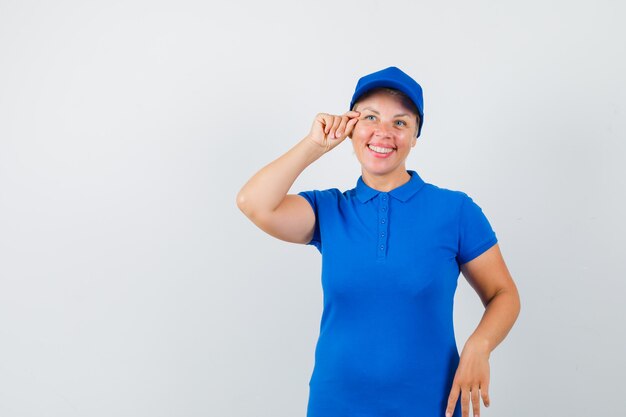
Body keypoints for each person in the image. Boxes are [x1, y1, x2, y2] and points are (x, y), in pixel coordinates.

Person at [236, 66, 521, 417]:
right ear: (351, 126)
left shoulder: (455, 210)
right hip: (336, 404)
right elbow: (253, 203)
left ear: (416, 135)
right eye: (370, 117)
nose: (383, 132)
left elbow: (503, 295)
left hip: (433, 404)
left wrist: (480, 346)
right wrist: (314, 145)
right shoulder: (328, 210)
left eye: (400, 122)